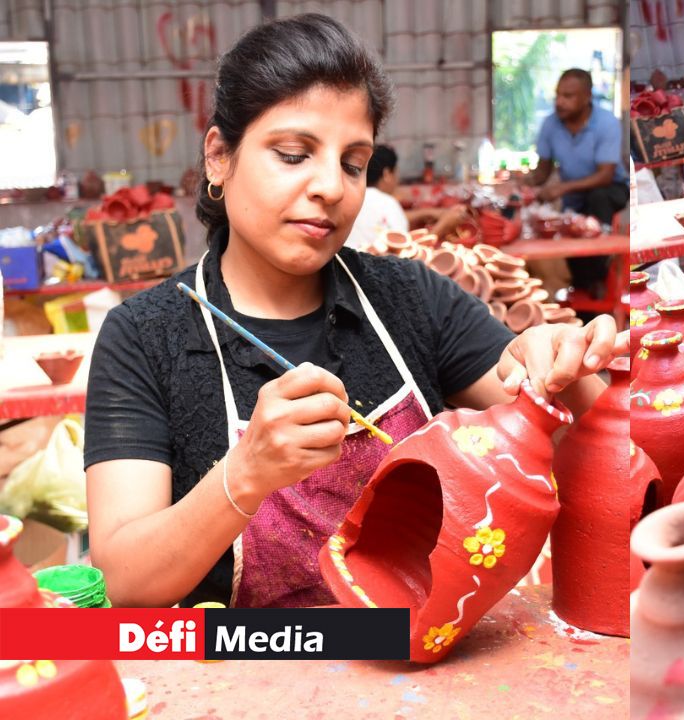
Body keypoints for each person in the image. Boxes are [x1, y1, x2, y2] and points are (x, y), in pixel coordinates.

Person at [83, 15, 623, 609]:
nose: (331, 189)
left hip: (416, 659)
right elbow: (126, 584)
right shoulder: (145, 335)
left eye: (353, 163)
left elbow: (594, 448)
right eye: (294, 154)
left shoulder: (411, 298)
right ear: (218, 156)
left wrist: (565, 376)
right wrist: (247, 474)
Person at [523, 68, 627, 297]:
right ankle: (578, 289)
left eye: (568, 96)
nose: (559, 102)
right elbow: (543, 171)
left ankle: (598, 280)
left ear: (587, 97)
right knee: (562, 222)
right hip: (574, 196)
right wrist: (525, 183)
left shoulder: (606, 123)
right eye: (558, 95)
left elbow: (606, 175)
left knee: (596, 200)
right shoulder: (551, 124)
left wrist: (561, 188)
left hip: (610, 190)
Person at [345, 144, 467, 250]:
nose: (397, 180)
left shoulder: (355, 198)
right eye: (396, 172)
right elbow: (405, 256)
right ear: (387, 174)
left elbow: (382, 219)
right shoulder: (387, 203)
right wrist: (443, 226)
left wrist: (428, 213)